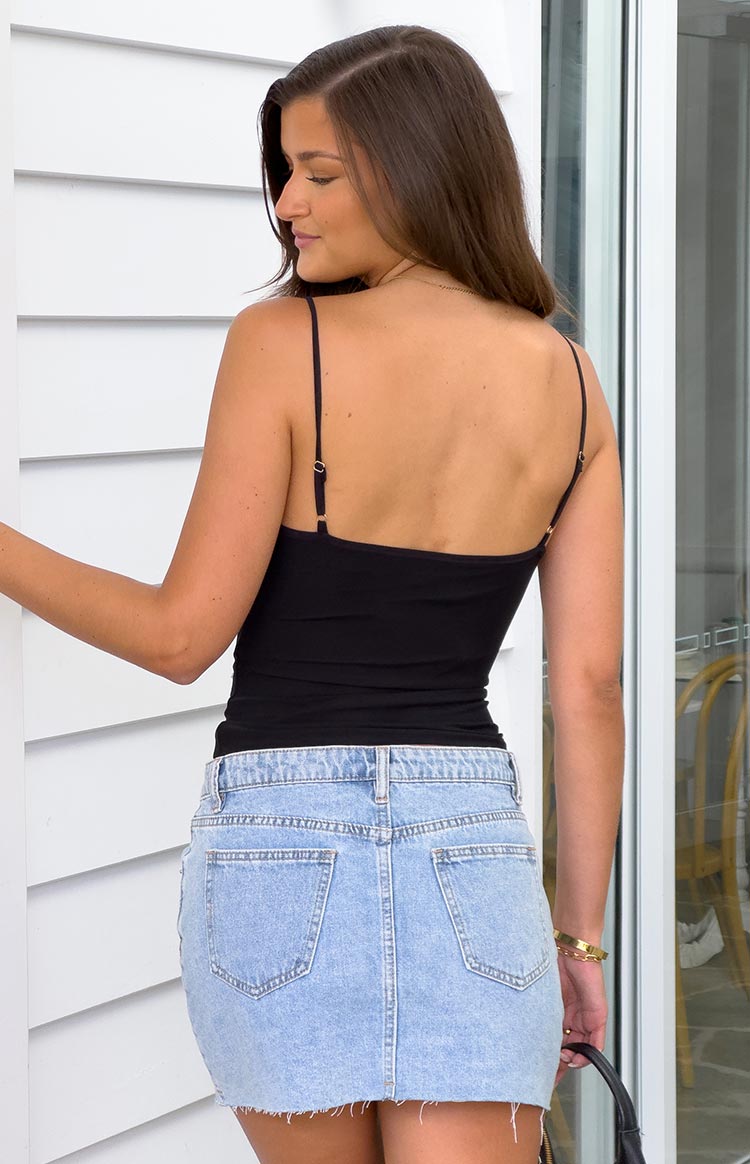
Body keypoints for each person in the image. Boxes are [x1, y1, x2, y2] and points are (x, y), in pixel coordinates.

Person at [0, 24, 624, 1164]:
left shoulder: (282, 341)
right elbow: (588, 688)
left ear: (421, 168)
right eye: (285, 173)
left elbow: (180, 637)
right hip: (472, 856)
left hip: (279, 849)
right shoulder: (574, 384)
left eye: (320, 174)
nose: (288, 204)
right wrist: (579, 941)